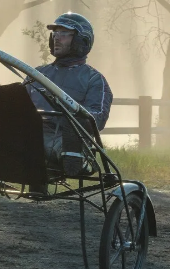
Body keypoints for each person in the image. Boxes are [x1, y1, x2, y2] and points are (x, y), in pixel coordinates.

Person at [25, 12, 112, 176]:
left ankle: (75, 158)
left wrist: (74, 121)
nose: (57, 38)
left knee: (69, 139)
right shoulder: (36, 74)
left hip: (67, 139)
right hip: (32, 133)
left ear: (81, 41)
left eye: (64, 33)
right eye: (55, 33)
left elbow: (97, 118)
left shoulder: (94, 79)